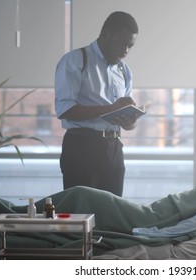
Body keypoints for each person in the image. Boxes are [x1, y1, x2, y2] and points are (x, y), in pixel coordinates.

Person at [0, 138, 196, 235]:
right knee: (80, 197)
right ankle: (1, 213)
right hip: (154, 212)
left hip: (152, 218)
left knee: (81, 195)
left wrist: (160, 234)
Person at [54, 11, 140, 196]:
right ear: (106, 34)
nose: (125, 51)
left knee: (112, 214)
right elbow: (65, 109)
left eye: (130, 46)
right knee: (81, 212)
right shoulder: (76, 60)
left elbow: (125, 117)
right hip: (81, 146)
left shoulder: (124, 71)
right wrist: (110, 109)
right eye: (121, 43)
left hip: (114, 148)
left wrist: (130, 122)